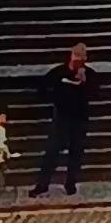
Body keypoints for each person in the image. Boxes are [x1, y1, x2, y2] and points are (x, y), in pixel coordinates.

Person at [31, 42, 98, 198]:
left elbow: (95, 94)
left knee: (76, 153)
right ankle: (42, 185)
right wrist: (56, 99)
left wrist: (85, 82)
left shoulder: (90, 74)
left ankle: (70, 183)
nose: (77, 64)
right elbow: (42, 88)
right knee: (52, 153)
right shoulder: (59, 72)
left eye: (81, 61)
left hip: (79, 119)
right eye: (76, 61)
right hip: (61, 118)